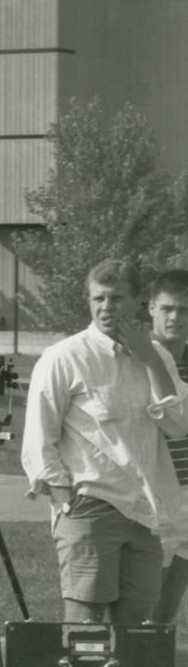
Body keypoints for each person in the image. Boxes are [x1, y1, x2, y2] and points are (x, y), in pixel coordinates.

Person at [21, 257, 188, 624]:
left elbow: (178, 425)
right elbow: (38, 440)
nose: (106, 308)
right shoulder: (64, 357)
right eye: (98, 299)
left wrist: (150, 361)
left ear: (137, 302)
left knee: (136, 628)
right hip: (91, 507)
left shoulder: (156, 355)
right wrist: (68, 503)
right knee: (86, 625)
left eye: (116, 298)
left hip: (146, 512)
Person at [148, 268, 188, 633]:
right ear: (151, 308)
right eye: (168, 308)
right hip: (153, 493)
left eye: (185, 310)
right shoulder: (141, 359)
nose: (176, 317)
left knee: (168, 605)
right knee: (143, 599)